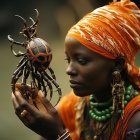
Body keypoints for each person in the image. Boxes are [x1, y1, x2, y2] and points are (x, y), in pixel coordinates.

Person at [11, 0, 140, 140]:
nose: (69, 70)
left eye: (82, 61)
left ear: (118, 65)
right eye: (69, 60)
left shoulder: (135, 118)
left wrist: (57, 135)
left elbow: (54, 132)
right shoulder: (77, 104)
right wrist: (41, 120)